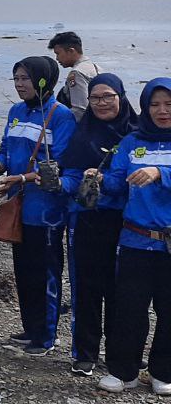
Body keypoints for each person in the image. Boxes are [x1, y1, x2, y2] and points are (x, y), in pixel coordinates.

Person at [0, 56, 77, 355]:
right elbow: (6, 146)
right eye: (16, 78)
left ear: (44, 80)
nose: (19, 84)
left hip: (47, 211)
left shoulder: (60, 115)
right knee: (24, 270)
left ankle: (45, 336)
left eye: (25, 78)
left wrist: (23, 177)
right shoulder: (16, 111)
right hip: (18, 206)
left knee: (47, 273)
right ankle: (30, 327)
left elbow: (62, 163)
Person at [93, 78, 171, 394]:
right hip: (136, 240)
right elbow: (116, 181)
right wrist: (99, 178)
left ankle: (163, 372)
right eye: (154, 104)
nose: (162, 110)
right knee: (129, 308)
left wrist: (160, 173)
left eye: (168, 104)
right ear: (144, 107)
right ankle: (123, 371)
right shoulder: (132, 142)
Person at [58, 74, 136, 376]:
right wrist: (56, 183)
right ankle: (85, 352)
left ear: (122, 96)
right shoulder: (83, 133)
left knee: (123, 290)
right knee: (87, 288)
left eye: (108, 96)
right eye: (95, 98)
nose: (102, 103)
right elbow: (72, 176)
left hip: (127, 222)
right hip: (87, 219)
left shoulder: (138, 133)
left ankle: (120, 352)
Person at [48, 31, 102, 122]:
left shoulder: (77, 73)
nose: (57, 58)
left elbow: (80, 110)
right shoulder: (96, 68)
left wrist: (59, 122)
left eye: (58, 53)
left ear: (71, 51)